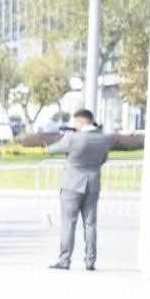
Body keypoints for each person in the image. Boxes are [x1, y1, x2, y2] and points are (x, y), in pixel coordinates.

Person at [46, 109, 112, 270]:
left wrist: (66, 137)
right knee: (90, 224)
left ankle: (65, 259)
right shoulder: (104, 138)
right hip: (93, 185)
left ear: (81, 122)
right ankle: (90, 261)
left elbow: (51, 150)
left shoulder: (74, 138)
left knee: (68, 223)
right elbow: (103, 159)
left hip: (72, 185)